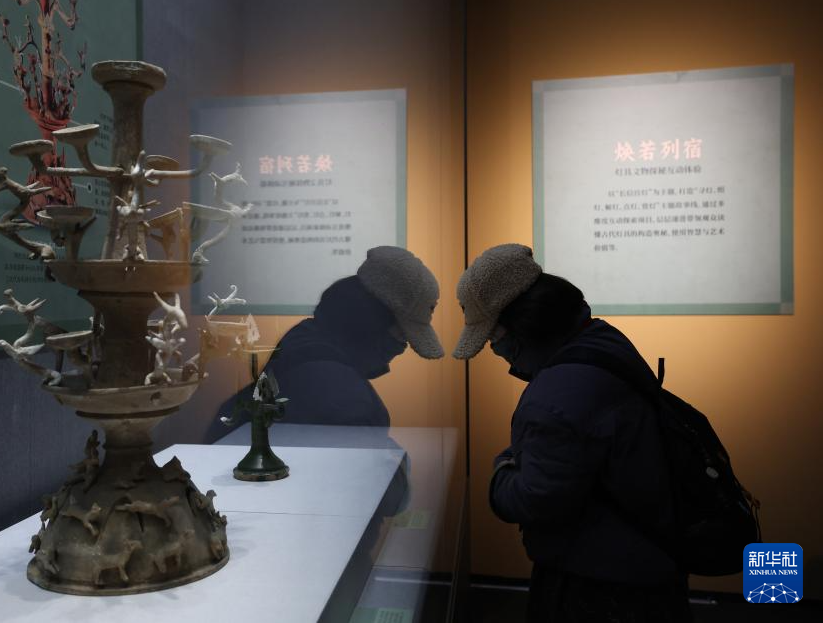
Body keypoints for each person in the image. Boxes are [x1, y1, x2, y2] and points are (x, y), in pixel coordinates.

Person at [453, 244, 691, 622]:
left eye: (492, 338)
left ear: (519, 327)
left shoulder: (555, 397)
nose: (495, 351)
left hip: (597, 584)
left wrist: (503, 468)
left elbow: (533, 498)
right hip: (647, 563)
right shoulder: (599, 339)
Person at [206, 245, 443, 438]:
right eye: (402, 336)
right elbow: (363, 470)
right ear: (373, 323)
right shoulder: (345, 397)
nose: (401, 348)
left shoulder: (305, 337)